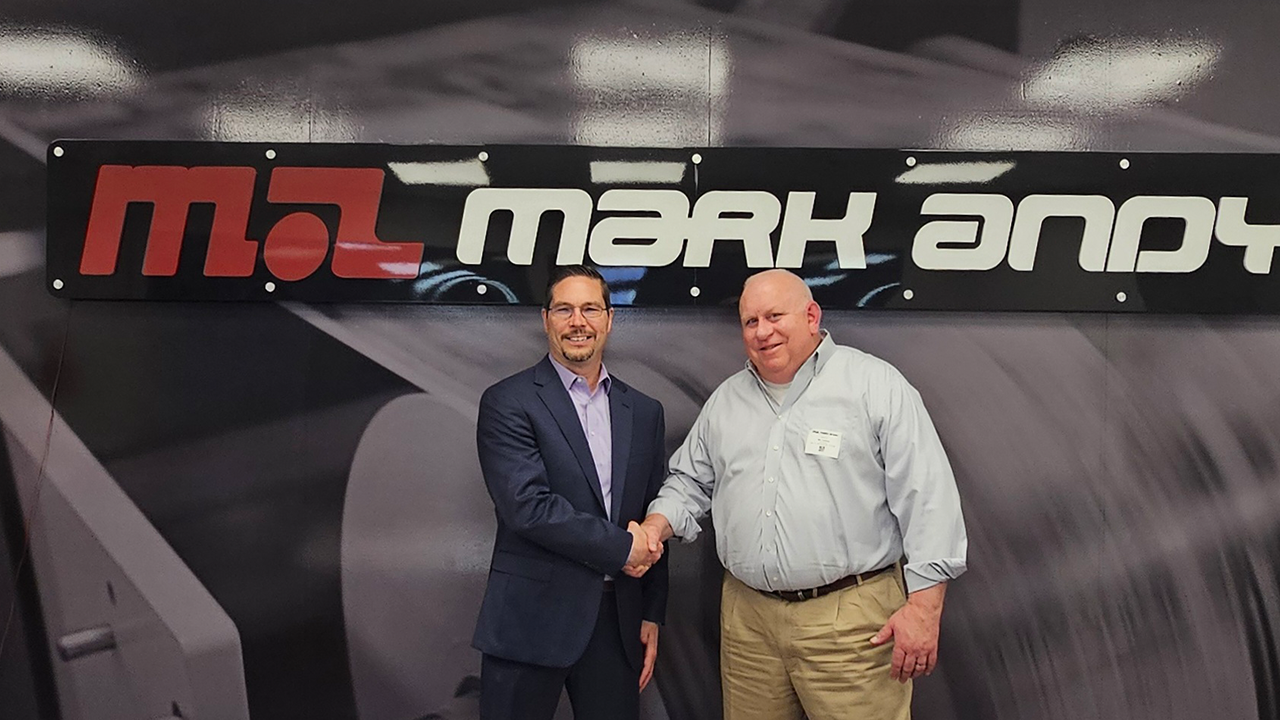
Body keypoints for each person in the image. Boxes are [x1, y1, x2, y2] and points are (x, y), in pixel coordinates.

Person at [639, 268, 967, 720]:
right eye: (750, 322)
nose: (762, 331)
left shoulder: (874, 386)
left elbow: (928, 496)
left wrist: (925, 609)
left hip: (851, 623)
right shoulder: (726, 402)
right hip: (748, 624)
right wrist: (656, 527)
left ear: (812, 315)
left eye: (775, 316)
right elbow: (690, 482)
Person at [472, 265, 669, 720]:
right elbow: (528, 507)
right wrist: (625, 548)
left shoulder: (643, 411)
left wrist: (651, 612)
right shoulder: (508, 401)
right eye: (564, 309)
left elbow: (651, 510)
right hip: (529, 622)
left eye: (590, 309)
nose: (577, 321)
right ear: (546, 319)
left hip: (617, 625)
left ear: (609, 319)